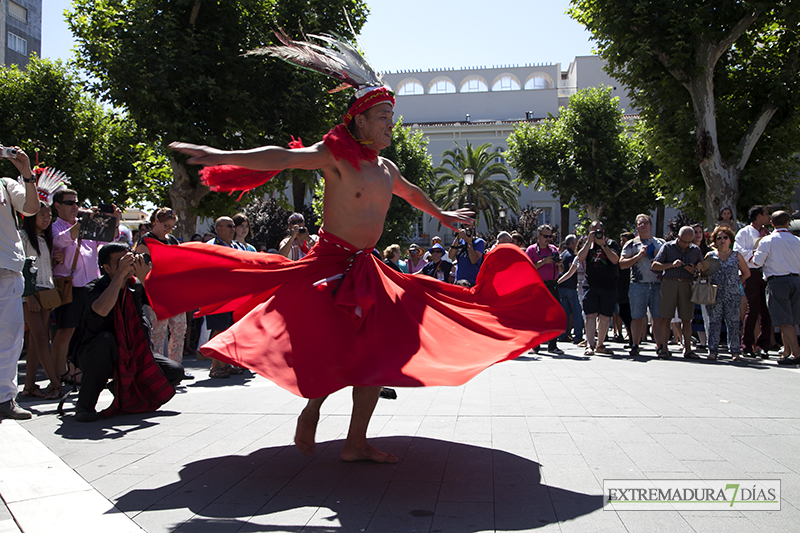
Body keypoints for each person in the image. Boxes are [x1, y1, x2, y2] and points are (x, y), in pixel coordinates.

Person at [158, 33, 563, 463]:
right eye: (384, 116)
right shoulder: (334, 156)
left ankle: (356, 442)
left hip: (369, 270)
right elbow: (282, 157)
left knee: (376, 354)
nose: (392, 124)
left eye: (392, 116)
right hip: (328, 268)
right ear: (360, 121)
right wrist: (218, 153)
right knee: (332, 348)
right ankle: (312, 408)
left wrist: (442, 215)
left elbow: (413, 193)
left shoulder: (387, 168)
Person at [68, 243, 184, 421]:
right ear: (106, 268)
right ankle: (85, 406)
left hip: (133, 351)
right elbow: (101, 309)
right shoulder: (94, 287)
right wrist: (120, 277)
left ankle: (122, 387)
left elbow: (163, 305)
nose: (127, 265)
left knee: (174, 371)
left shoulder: (136, 285)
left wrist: (144, 277)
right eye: (120, 262)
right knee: (105, 340)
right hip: (97, 354)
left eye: (129, 259)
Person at [51, 189, 120, 386]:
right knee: (64, 332)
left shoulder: (87, 225)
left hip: (91, 288)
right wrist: (84, 221)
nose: (75, 206)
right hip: (69, 287)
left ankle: (77, 371)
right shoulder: (56, 227)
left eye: (76, 202)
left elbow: (109, 239)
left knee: (87, 332)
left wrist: (113, 220)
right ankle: (57, 377)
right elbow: (61, 241)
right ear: (58, 206)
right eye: (70, 203)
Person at [0, 147, 39, 419]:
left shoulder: (6, 184)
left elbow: (31, 208)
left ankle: (5, 398)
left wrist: (26, 173)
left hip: (7, 269)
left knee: (11, 337)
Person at [136, 208, 189, 373]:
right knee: (158, 332)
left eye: (172, 226)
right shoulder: (145, 241)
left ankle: (176, 367)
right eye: (166, 225)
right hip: (156, 292)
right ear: (156, 221)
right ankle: (158, 368)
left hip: (174, 291)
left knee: (179, 329)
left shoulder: (172, 239)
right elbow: (143, 268)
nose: (169, 229)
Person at [20, 202, 62, 398]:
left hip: (46, 291)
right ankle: (55, 384)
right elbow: (21, 268)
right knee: (41, 338)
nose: (47, 219)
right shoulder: (23, 237)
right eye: (42, 215)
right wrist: (28, 296)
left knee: (36, 339)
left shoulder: (44, 239)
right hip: (29, 292)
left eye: (49, 215)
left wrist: (54, 262)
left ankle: (29, 386)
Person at [752, 211, 800, 365]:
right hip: (796, 280)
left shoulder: (767, 241)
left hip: (778, 281)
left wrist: (754, 254)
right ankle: (787, 351)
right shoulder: (797, 240)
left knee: (784, 321)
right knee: (792, 319)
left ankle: (796, 353)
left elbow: (757, 262)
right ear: (788, 223)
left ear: (771, 223)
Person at [652, 226, 703, 359]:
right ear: (678, 237)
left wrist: (695, 270)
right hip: (669, 282)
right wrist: (671, 265)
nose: (686, 245)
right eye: (684, 241)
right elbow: (655, 265)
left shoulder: (695, 250)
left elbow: (702, 269)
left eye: (689, 242)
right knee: (666, 318)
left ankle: (688, 349)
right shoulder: (668, 247)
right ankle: (663, 348)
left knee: (687, 319)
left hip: (687, 283)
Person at [619, 214, 665, 357]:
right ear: (636, 226)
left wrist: (658, 256)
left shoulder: (660, 243)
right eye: (640, 223)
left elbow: (668, 262)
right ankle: (635, 344)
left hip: (657, 284)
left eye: (645, 223)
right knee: (637, 317)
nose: (643, 225)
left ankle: (661, 346)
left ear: (651, 225)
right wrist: (638, 256)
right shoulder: (631, 244)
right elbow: (622, 264)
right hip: (638, 285)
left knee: (658, 318)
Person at [205, 216, 245, 379]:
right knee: (219, 330)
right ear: (218, 229)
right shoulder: (211, 246)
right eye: (228, 226)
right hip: (218, 295)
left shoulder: (238, 246)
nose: (232, 228)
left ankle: (226, 363)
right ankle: (215, 366)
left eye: (233, 226)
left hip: (235, 296)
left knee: (231, 331)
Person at [703, 226, 750, 360]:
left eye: (725, 237)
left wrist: (735, 282)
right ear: (715, 241)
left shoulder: (736, 255)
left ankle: (735, 351)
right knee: (714, 321)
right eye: (719, 238)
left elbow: (747, 273)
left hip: (732, 293)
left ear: (730, 240)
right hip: (715, 292)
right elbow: (705, 274)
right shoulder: (710, 256)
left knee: (733, 321)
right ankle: (712, 350)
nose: (722, 240)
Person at [734, 205, 773, 357]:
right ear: (758, 216)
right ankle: (747, 344)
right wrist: (757, 254)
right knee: (753, 308)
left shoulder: (768, 234)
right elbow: (739, 252)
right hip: (751, 272)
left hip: (766, 273)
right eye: (766, 214)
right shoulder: (744, 232)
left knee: (766, 309)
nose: (768, 217)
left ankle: (764, 344)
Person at [576, 221, 620, 356]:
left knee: (605, 316)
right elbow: (580, 257)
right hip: (591, 285)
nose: (596, 233)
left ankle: (600, 344)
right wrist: (589, 243)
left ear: (603, 231)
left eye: (599, 230)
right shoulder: (588, 244)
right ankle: (590, 345)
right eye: (593, 231)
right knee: (590, 315)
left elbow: (615, 260)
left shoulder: (611, 243)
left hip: (608, 285)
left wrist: (604, 245)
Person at [526, 225, 564, 354]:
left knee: (554, 316)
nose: (548, 239)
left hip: (553, 285)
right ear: (538, 235)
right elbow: (527, 269)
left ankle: (553, 345)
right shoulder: (531, 251)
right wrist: (544, 262)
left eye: (550, 236)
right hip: (538, 286)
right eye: (546, 236)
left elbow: (562, 270)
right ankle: (535, 345)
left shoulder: (554, 249)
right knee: (537, 317)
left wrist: (559, 264)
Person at [557, 234, 583, 345]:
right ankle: (578, 335)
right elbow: (572, 270)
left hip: (562, 287)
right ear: (572, 243)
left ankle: (563, 334)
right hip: (570, 287)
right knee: (577, 312)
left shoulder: (562, 254)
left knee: (565, 312)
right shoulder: (572, 255)